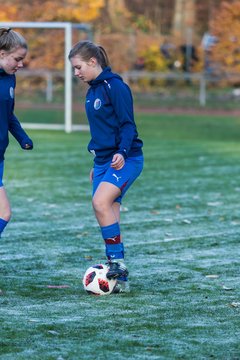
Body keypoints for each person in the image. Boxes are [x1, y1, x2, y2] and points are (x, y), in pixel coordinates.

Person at [69, 40, 144, 293]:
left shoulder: (116, 87)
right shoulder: (92, 91)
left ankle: (118, 263)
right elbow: (101, 130)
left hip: (126, 157)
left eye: (78, 67)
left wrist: (122, 152)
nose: (76, 73)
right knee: (108, 210)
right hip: (103, 161)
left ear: (93, 62)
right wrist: (97, 162)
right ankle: (121, 281)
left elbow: (128, 125)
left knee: (100, 203)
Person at [0, 28, 33, 238]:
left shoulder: (10, 79)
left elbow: (8, 115)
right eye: (17, 59)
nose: (20, 64)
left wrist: (23, 138)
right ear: (2, 54)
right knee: (4, 212)